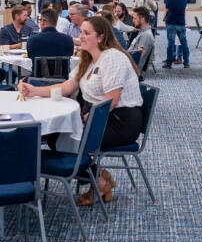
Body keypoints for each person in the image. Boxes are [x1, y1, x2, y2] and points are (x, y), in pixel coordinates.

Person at [20, 16, 143, 205]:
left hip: (119, 121)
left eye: (86, 33)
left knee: (60, 137)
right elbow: (68, 86)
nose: (81, 36)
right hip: (99, 116)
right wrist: (35, 90)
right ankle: (99, 178)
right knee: (55, 136)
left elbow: (112, 99)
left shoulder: (113, 57)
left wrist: (88, 118)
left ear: (101, 37)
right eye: (81, 32)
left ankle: (98, 181)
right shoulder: (88, 59)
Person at [163, 0, 189, 69]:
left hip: (171, 23)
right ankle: (186, 63)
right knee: (184, 43)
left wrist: (164, 18)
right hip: (181, 23)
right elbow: (184, 10)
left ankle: (169, 63)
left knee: (171, 43)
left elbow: (167, 9)